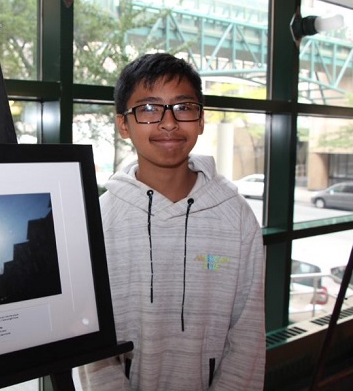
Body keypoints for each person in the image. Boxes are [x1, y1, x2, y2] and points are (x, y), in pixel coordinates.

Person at [79, 53, 265, 390]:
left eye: (183, 107)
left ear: (201, 119)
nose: (169, 123)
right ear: (123, 124)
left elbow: (247, 334)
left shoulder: (236, 216)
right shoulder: (99, 221)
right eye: (149, 109)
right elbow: (95, 352)